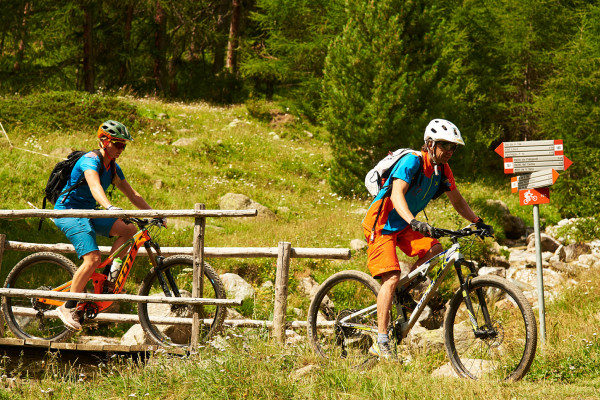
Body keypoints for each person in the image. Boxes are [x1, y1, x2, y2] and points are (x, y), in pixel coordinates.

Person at [361, 119, 493, 360]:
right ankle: (381, 340)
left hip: (404, 224)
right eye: (445, 146)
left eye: (454, 148)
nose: (450, 152)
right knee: (391, 276)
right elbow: (397, 193)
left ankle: (403, 291)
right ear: (430, 144)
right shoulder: (412, 161)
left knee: (436, 249)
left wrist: (477, 221)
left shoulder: (442, 169)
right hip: (382, 224)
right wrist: (414, 221)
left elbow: (457, 200)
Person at [54, 120, 161, 331]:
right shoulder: (90, 160)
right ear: (104, 140)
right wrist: (109, 207)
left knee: (129, 230)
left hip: (89, 212)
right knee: (93, 258)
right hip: (68, 211)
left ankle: (109, 276)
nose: (121, 149)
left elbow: (132, 194)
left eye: (124, 145)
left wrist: (155, 214)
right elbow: (94, 187)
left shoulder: (112, 167)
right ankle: (67, 306)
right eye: (118, 144)